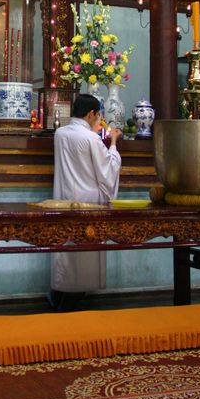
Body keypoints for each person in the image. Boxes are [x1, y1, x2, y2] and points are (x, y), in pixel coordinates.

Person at [50, 93, 122, 311]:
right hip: (87, 203)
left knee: (66, 253)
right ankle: (68, 308)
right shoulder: (90, 138)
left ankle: (58, 298)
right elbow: (107, 171)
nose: (99, 118)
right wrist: (113, 143)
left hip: (63, 199)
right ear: (91, 114)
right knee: (82, 258)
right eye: (98, 114)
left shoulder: (60, 133)